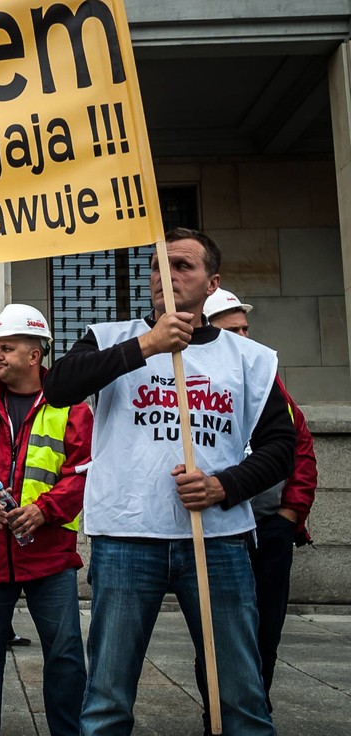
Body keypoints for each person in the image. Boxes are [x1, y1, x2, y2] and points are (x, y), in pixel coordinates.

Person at [43, 228, 296, 736]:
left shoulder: (249, 358)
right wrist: (147, 345)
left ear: (212, 282)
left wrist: (225, 486)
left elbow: (281, 447)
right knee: (108, 699)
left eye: (184, 266)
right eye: (160, 266)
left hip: (219, 541)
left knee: (240, 696)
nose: (168, 276)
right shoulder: (110, 337)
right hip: (127, 538)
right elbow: (59, 387)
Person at [0, 304, 92, 736]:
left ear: (35, 354)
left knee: (64, 654)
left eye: (7, 347)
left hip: (51, 557)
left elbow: (85, 472)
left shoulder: (72, 409)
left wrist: (45, 509)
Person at [194, 288, 318, 728]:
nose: (244, 335)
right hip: (221, 530)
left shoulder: (268, 379)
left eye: (246, 327)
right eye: (233, 329)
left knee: (265, 632)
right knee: (217, 637)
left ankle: (253, 708)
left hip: (270, 528)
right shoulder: (198, 380)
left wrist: (290, 514)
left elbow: (299, 446)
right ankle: (217, 715)